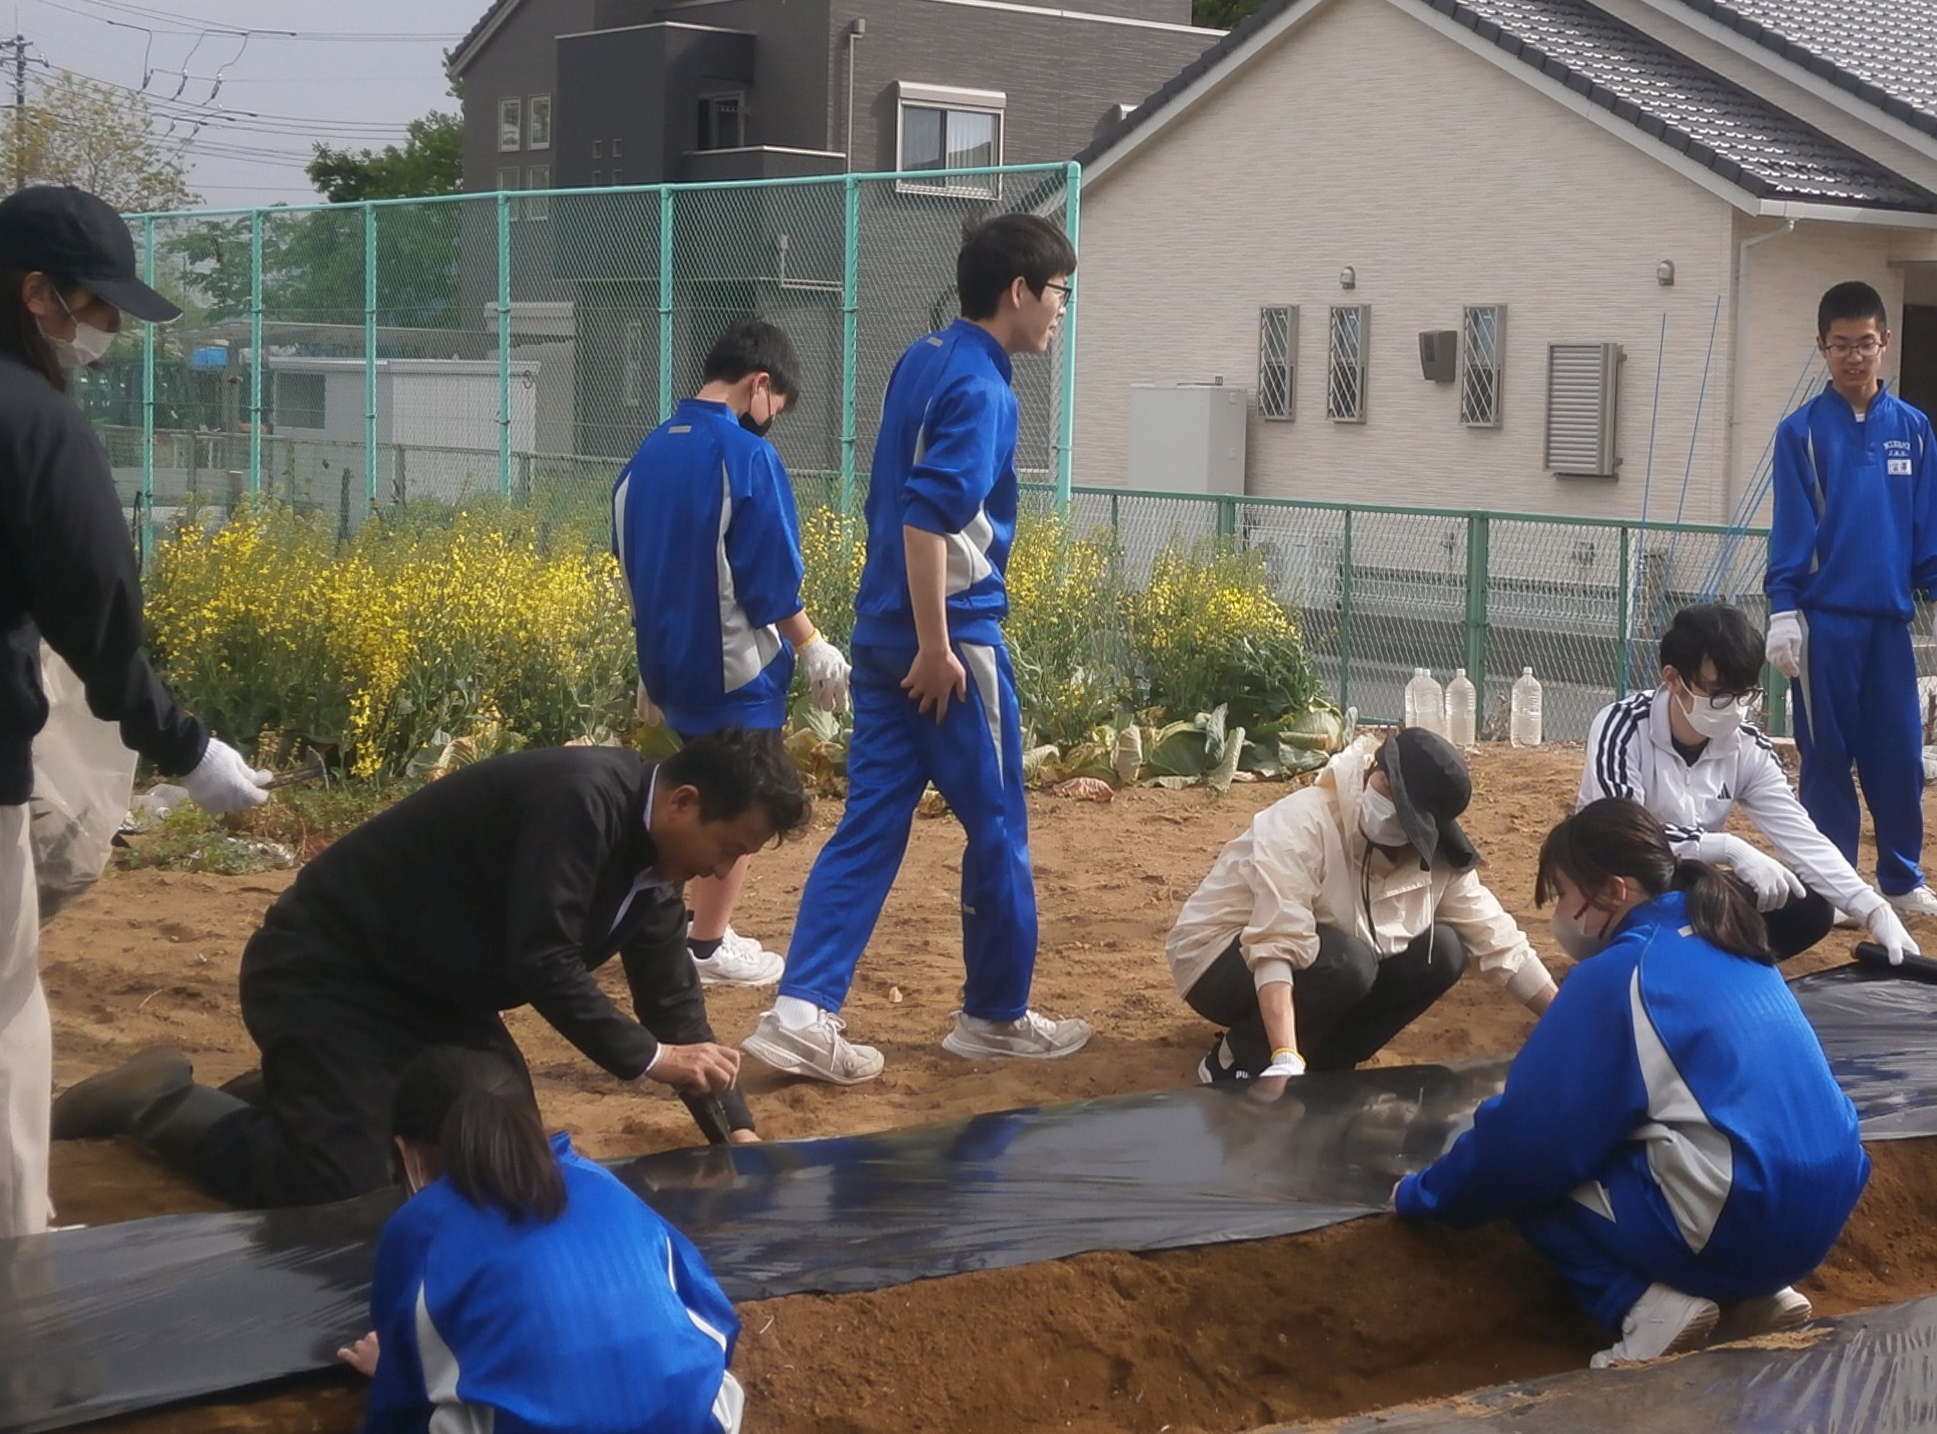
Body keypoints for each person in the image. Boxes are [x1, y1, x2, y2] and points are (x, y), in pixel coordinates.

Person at [48, 731, 804, 1207]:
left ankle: (301, 1087)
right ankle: (156, 1101)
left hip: (438, 998)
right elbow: (541, 959)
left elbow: (674, 1004)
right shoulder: (580, 801)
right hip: (330, 971)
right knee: (338, 1189)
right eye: (729, 848)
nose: (724, 870)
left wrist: (735, 1132)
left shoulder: (654, 868)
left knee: (501, 1159)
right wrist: (652, 1061)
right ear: (683, 802)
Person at [0, 185, 273, 1245]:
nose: (106, 332)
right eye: (95, 307)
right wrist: (185, 745)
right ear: (37, 294)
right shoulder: (25, 416)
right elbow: (94, 609)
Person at [744, 214, 1086, 1085]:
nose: (1061, 310)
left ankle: (801, 1011)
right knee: (998, 827)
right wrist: (938, 646)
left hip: (879, 633)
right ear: (1018, 291)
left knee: (871, 822)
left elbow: (898, 498)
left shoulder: (923, 357)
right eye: (1058, 293)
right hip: (952, 645)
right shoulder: (985, 389)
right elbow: (928, 517)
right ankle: (995, 1016)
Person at [1391, 799, 1869, 1367]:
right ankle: (1757, 1298)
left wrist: (1422, 1195)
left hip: (1739, 1225)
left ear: (1615, 891)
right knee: (1679, 1127)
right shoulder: (1733, 940)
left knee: (1532, 1174)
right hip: (1820, 1219)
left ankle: (1646, 1308)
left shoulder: (1620, 973)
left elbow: (1527, 1141)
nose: (1560, 912)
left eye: (1564, 893)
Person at [614, 317, 851, 989]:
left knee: (675, 802)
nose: (771, 421)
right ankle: (708, 943)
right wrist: (812, 644)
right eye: (777, 407)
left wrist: (650, 658)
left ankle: (659, 932)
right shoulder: (746, 456)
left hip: (665, 665)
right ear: (759, 383)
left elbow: (632, 565)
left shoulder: (644, 455)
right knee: (740, 802)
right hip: (735, 669)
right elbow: (767, 578)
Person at [339, 1047, 746, 1434]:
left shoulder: (420, 1229)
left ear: (406, 1151)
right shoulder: (600, 1182)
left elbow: (401, 1403)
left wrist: (391, 1371)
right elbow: (713, 1317)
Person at [1166, 727, 1556, 1083]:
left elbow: (1498, 939)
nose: (1387, 804)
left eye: (1403, 806)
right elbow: (1276, 941)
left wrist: (1565, 1023)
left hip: (1326, 956)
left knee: (1444, 952)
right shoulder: (1303, 822)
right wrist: (1283, 1053)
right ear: (1374, 767)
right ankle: (1240, 1059)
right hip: (1219, 956)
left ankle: (1327, 1063)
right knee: (1349, 963)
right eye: (1385, 785)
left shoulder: (1437, 859)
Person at [1763, 280, 1937, 922]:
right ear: (1822, 347)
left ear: (1885, 343)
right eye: (1841, 345)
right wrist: (1783, 609)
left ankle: (1901, 879)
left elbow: (1930, 520)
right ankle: (1838, 883)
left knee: (1899, 756)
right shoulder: (1800, 433)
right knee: (1827, 758)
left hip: (1889, 624)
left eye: (1865, 343)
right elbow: (1791, 527)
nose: (1854, 356)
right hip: (1824, 622)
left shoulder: (1915, 429)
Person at [1581, 604, 1919, 965]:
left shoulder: (1747, 746)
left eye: (1744, 694)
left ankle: (1708, 967)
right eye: (1718, 693)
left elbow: (1800, 835)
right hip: (1609, 890)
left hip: (1687, 881)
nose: (1734, 708)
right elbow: (1623, 838)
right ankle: (1647, 962)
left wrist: (1873, 909)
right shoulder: (1622, 727)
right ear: (1674, 679)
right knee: (1669, 895)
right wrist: (1728, 848)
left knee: (1807, 904)